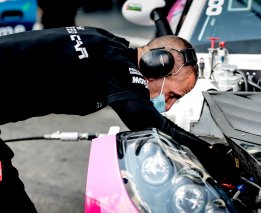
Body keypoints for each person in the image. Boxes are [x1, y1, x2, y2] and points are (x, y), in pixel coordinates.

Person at [0, 26, 211, 212]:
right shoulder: (117, 66)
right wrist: (213, 156)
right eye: (173, 95)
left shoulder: (109, 43)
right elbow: (150, 123)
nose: (167, 105)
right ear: (157, 64)